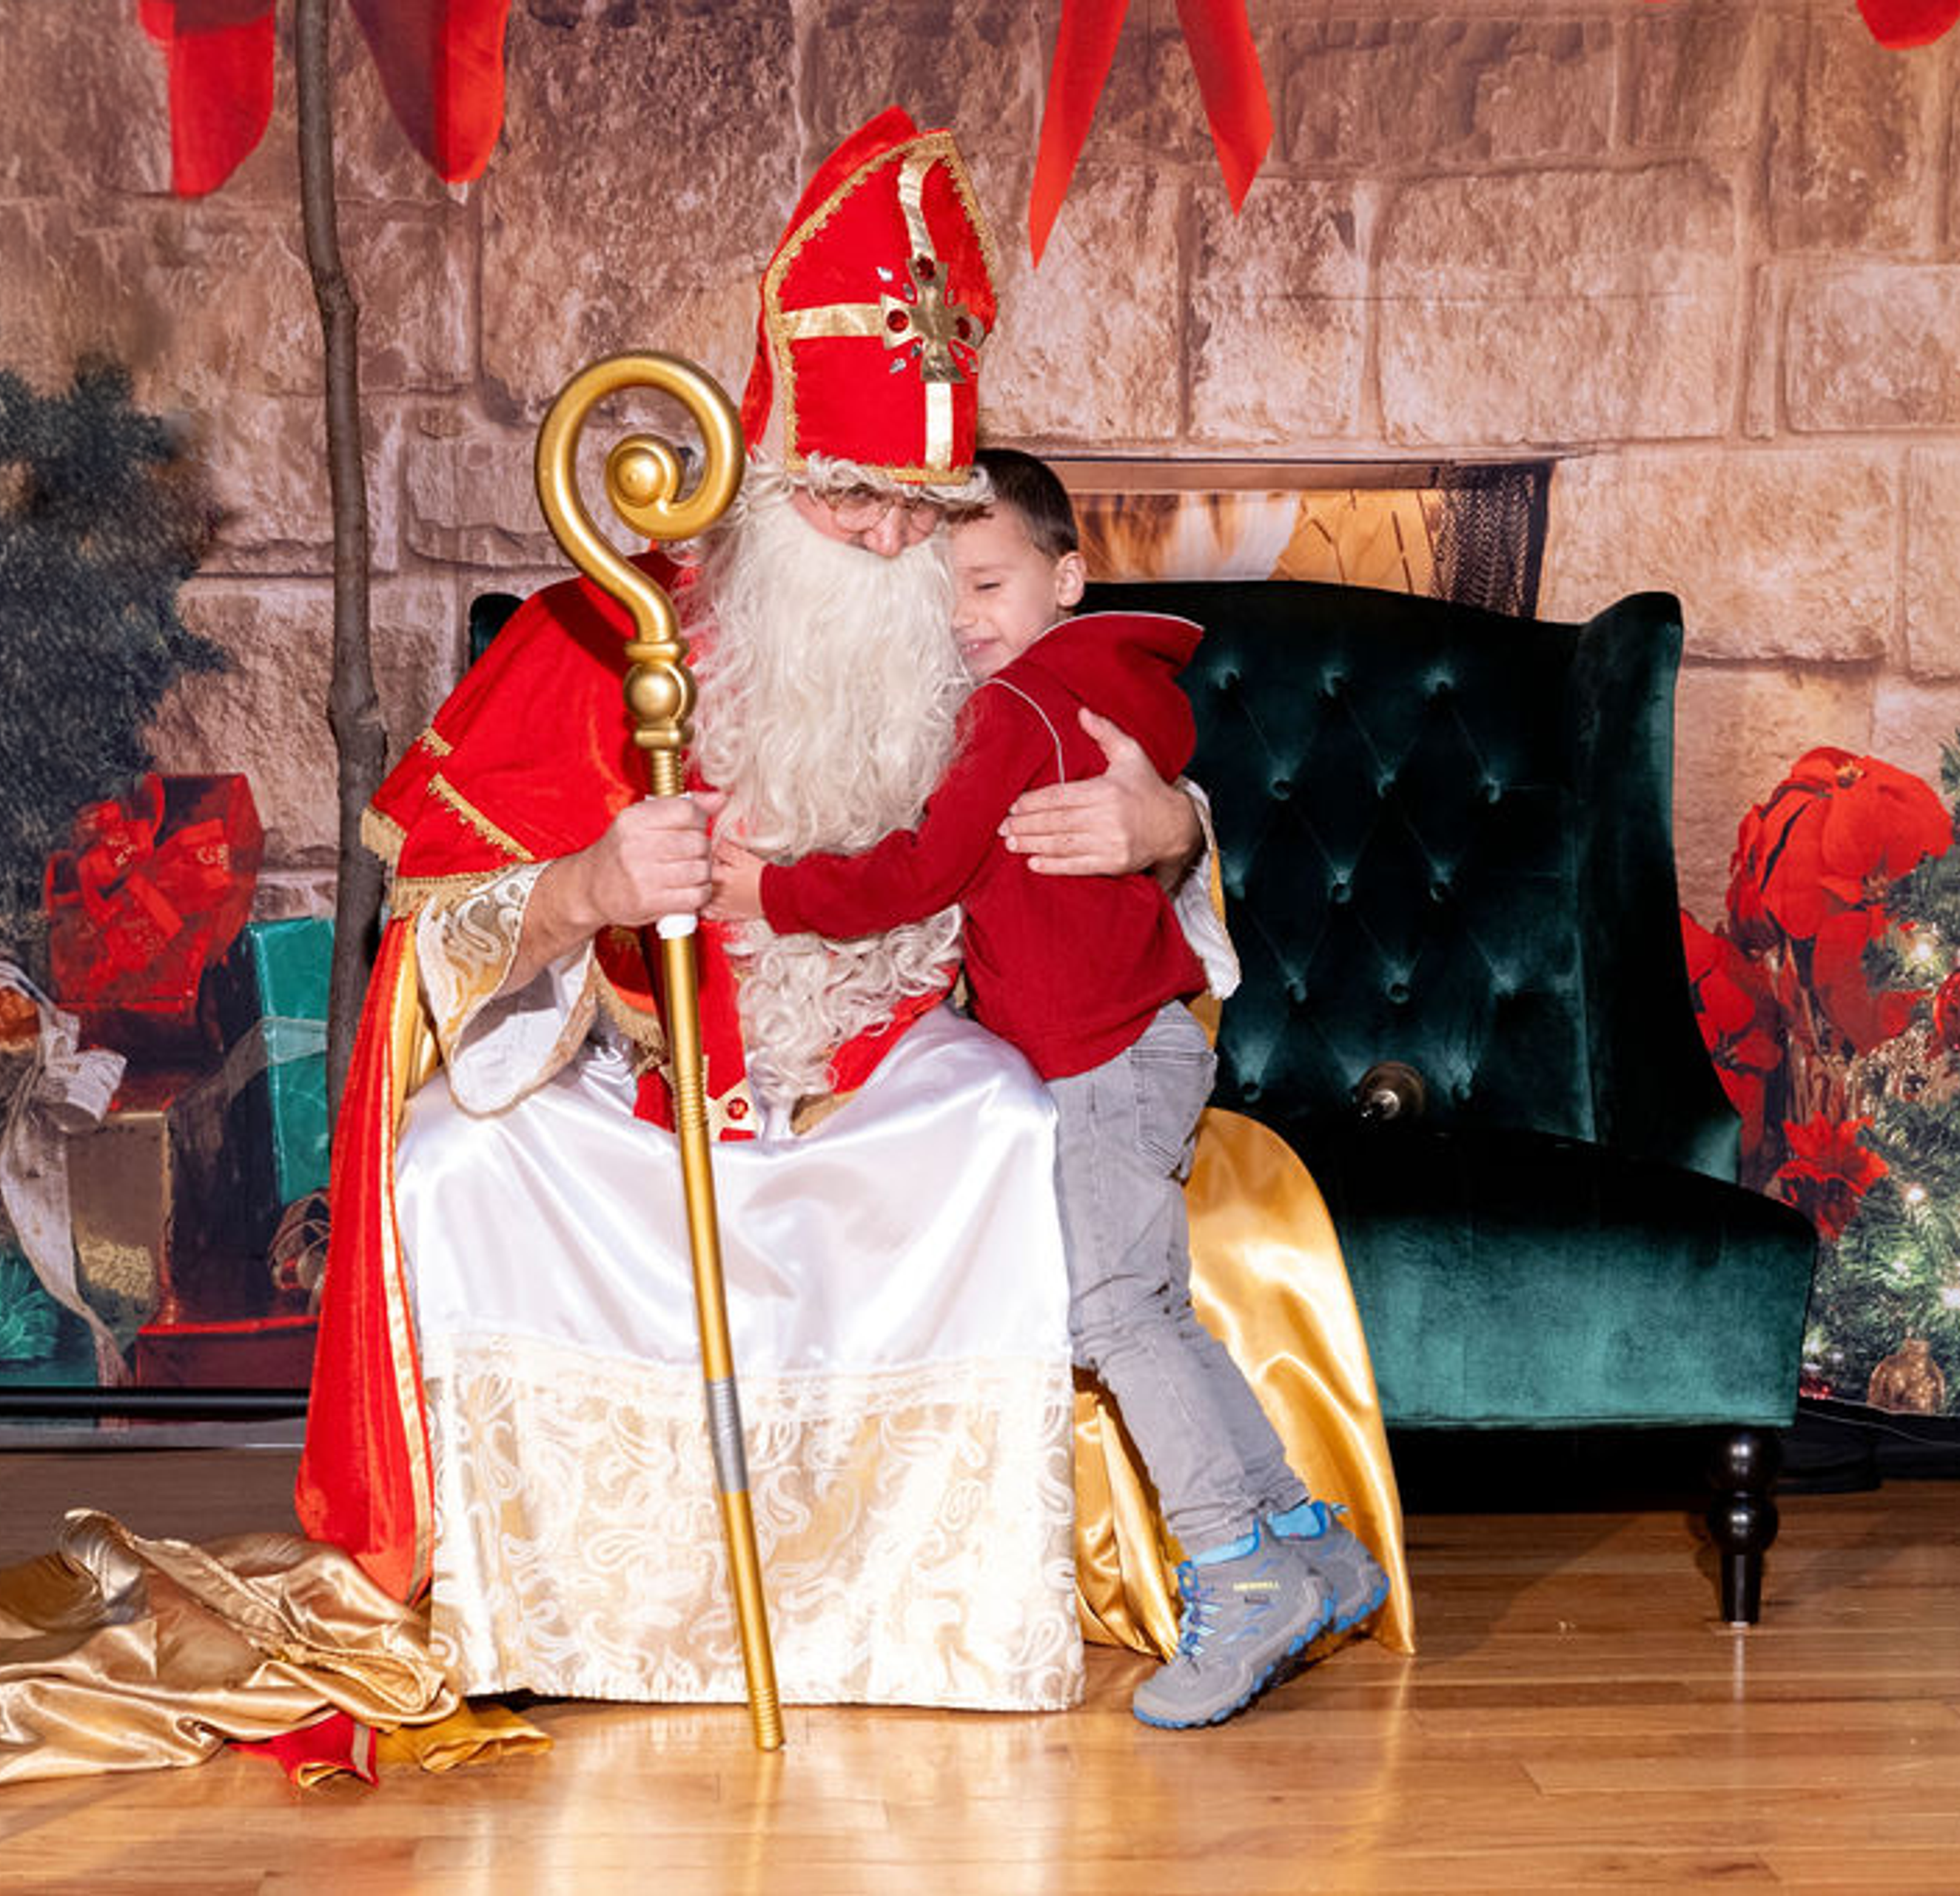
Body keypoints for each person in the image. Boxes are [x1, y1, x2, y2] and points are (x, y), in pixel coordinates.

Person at [298, 106, 1414, 1714]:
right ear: (767, 479)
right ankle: (561, 1610)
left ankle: (958, 1617)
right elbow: (428, 931)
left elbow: (1133, 877)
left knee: (1025, 1161)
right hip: (648, 1095)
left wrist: (1169, 830)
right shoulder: (606, 646)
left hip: (906, 1070)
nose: (895, 545)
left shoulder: (975, 657)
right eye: (851, 505)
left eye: (920, 510)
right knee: (453, 1162)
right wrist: (587, 886)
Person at [708, 450, 1386, 1726]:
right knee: (1156, 1311)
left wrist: (771, 892)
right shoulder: (1090, 685)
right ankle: (1310, 1545)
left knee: (1114, 1316)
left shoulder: (1016, 709)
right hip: (1136, 1039)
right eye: (942, 591)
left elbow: (917, 873)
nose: (963, 614)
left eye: (989, 581)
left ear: (1067, 578)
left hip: (1104, 1052)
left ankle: (1238, 1577)